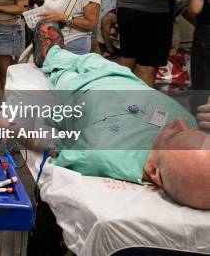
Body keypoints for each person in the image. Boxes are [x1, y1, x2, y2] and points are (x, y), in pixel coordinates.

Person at [12, 23, 210, 210]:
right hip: (121, 77)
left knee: (61, 69)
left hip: (81, 88)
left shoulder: (102, 155)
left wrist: (11, 127)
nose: (179, 122)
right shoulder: (187, 123)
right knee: (91, 59)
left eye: (173, 135)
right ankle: (59, 53)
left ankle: (49, 53)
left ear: (155, 174)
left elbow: (54, 146)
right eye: (192, 130)